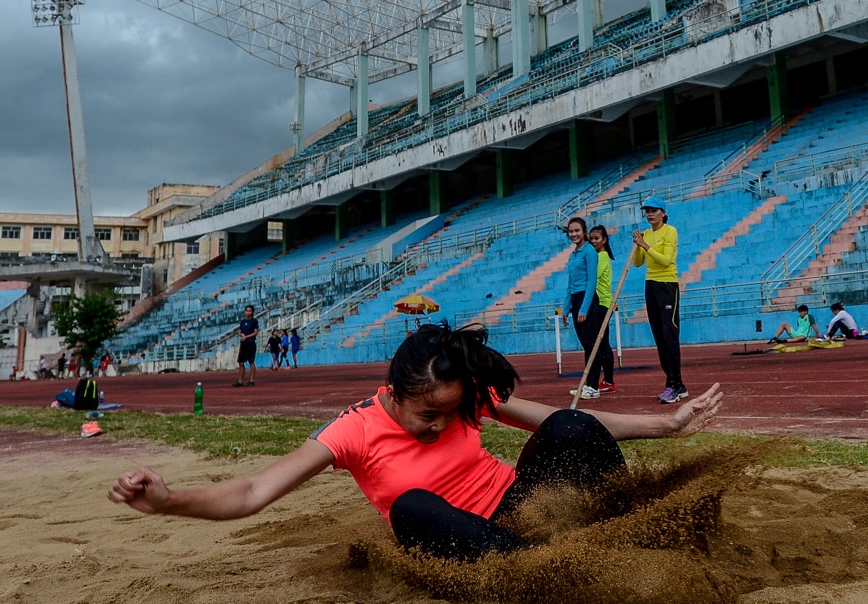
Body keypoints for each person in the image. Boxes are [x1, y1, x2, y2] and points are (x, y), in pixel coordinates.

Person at [109, 323, 724, 563]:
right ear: (395, 392)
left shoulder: (463, 396)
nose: (440, 425)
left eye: (451, 414)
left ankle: (636, 529)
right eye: (429, 415)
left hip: (525, 507)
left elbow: (563, 423)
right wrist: (168, 500)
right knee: (409, 508)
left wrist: (666, 425)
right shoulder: (352, 429)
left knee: (567, 425)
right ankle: (552, 569)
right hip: (462, 538)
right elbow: (251, 491)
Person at [632, 195, 684, 403]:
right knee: (659, 336)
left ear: (663, 213)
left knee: (669, 334)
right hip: (651, 285)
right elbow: (637, 263)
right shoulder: (646, 234)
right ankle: (674, 382)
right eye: (647, 211)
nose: (650, 214)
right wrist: (638, 245)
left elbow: (666, 260)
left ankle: (675, 384)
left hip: (667, 285)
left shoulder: (670, 231)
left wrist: (645, 245)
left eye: (654, 210)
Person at [562, 216, 602, 401]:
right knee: (586, 344)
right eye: (571, 231)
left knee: (592, 344)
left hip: (588, 300)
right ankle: (587, 384)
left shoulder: (589, 251)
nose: (574, 234)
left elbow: (592, 282)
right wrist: (566, 308)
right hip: (576, 300)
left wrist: (584, 309)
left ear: (584, 232)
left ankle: (593, 386)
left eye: (577, 230)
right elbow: (570, 284)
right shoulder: (573, 255)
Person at [585, 224, 617, 393]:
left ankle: (609, 380)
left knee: (602, 342)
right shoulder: (598, 256)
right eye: (591, 238)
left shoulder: (602, 257)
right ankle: (606, 380)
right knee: (601, 341)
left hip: (602, 303)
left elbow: (592, 276)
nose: (593, 241)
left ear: (604, 240)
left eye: (596, 238)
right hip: (599, 303)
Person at [235, 305, 259, 387]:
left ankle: (251, 380)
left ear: (252, 312)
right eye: (247, 311)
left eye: (249, 311)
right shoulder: (242, 322)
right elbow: (240, 331)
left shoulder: (254, 321)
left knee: (251, 361)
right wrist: (242, 335)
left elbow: (255, 332)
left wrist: (246, 337)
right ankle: (240, 381)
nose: (248, 312)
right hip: (243, 344)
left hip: (251, 343)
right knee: (241, 362)